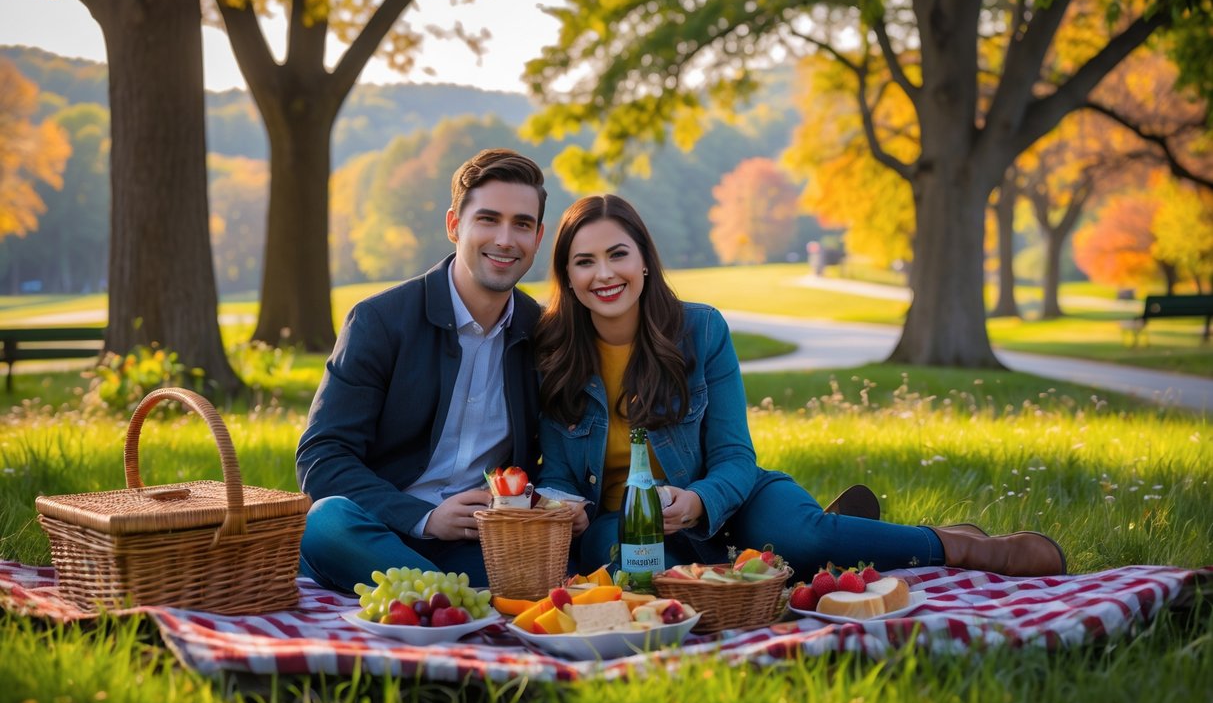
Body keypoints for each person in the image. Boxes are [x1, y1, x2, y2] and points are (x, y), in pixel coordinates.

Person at [534, 194, 1066, 578]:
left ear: (645, 261)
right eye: (585, 261)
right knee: (636, 569)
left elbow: (736, 457)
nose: (604, 273)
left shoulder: (699, 330)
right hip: (623, 524)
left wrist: (696, 502)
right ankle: (777, 563)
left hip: (731, 498)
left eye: (617, 254)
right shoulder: (556, 353)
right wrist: (563, 507)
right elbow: (557, 473)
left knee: (806, 538)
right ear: (568, 275)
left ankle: (962, 546)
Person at [295, 148, 548, 592]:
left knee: (542, 567)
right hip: (380, 527)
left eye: (521, 224)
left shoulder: (543, 334)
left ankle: (429, 598)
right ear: (454, 225)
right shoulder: (380, 321)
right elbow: (322, 457)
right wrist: (425, 518)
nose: (506, 239)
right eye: (488, 219)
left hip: (482, 541)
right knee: (327, 522)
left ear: (538, 236)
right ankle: (459, 602)